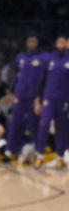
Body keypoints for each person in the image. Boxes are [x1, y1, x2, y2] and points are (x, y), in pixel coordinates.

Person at [6, 35, 48, 164]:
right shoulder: (20, 56)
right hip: (20, 96)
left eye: (33, 41)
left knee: (34, 125)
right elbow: (17, 76)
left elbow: (43, 79)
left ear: (38, 42)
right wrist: (11, 91)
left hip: (34, 97)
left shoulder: (43, 57)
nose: (31, 43)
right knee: (15, 123)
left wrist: (39, 98)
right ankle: (10, 151)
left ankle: (38, 152)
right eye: (29, 41)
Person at [33, 35, 69, 171]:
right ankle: (39, 156)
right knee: (44, 125)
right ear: (55, 43)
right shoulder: (49, 58)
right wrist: (38, 100)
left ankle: (60, 158)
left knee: (62, 128)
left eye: (63, 42)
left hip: (64, 99)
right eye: (58, 41)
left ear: (66, 44)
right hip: (49, 98)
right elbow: (41, 81)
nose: (61, 44)